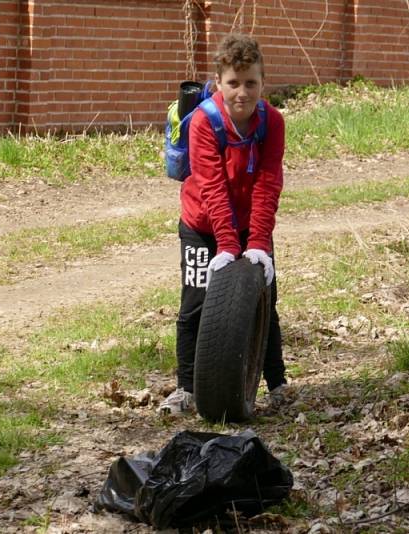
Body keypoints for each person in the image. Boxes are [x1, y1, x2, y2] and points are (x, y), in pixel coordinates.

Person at [159, 34, 288, 416]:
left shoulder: (272, 122)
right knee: (195, 304)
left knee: (266, 302)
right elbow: (212, 186)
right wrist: (227, 245)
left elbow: (269, 182)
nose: (242, 93)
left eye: (251, 83)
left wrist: (259, 243)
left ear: (263, 83)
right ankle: (186, 388)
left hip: (252, 224)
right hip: (201, 223)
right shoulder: (203, 121)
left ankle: (277, 383)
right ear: (219, 82)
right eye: (234, 83)